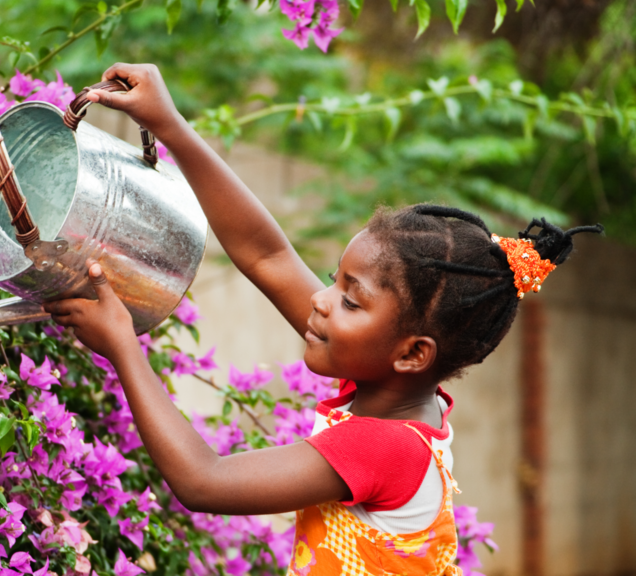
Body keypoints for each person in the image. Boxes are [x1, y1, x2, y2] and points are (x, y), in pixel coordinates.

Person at [41, 63, 603, 575]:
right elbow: (269, 257)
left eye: (351, 300)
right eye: (336, 278)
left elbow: (202, 482)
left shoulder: (383, 443)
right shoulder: (392, 384)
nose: (321, 299)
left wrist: (122, 345)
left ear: (412, 352)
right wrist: (172, 126)